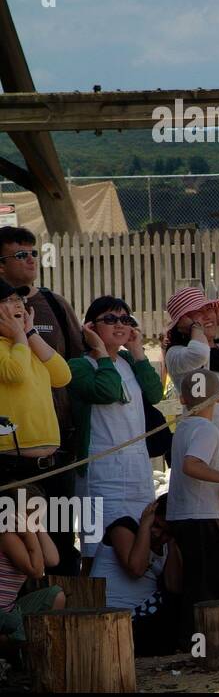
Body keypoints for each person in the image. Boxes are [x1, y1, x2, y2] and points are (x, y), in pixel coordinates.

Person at [0, 226, 85, 569]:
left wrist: (30, 334)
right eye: (21, 254)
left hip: (57, 455)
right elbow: (15, 373)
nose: (15, 306)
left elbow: (64, 375)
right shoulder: (11, 347)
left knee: (63, 548)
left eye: (17, 302)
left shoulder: (45, 313)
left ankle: (64, 611)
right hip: (12, 464)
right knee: (22, 555)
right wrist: (21, 336)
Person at [162, 288, 219, 598]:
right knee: (216, 530)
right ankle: (216, 601)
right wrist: (197, 329)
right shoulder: (178, 354)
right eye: (196, 313)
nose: (206, 316)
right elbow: (199, 355)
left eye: (208, 310)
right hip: (208, 447)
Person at [69, 296, 162, 568]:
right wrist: (99, 350)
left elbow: (155, 394)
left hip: (136, 468)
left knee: (143, 535)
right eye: (110, 319)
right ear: (90, 327)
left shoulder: (127, 361)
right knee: (98, 550)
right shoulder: (78, 366)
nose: (119, 324)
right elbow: (108, 391)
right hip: (100, 470)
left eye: (125, 319)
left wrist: (137, 352)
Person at [167, 369, 219, 636]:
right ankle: (205, 643)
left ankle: (192, 641)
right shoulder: (207, 429)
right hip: (200, 516)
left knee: (192, 584)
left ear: (182, 398)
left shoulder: (183, 428)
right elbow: (192, 465)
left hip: (182, 514)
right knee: (208, 587)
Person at [90, 494, 183, 656]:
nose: (158, 534)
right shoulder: (124, 527)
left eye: (166, 532)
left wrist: (173, 541)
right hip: (113, 615)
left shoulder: (166, 545)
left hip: (145, 615)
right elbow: (136, 569)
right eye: (157, 525)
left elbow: (174, 586)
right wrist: (146, 526)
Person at [0, 487, 65, 648]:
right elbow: (36, 571)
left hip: (9, 609)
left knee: (56, 595)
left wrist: (37, 528)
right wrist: (29, 534)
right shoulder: (7, 536)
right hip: (3, 613)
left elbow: (52, 560)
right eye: (34, 515)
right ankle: (9, 643)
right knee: (28, 632)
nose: (38, 521)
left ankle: (17, 641)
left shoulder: (26, 534)